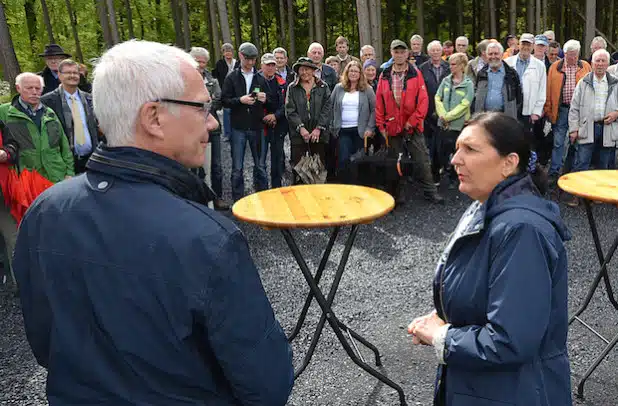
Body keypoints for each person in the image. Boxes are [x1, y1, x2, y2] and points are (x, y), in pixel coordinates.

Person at [13, 40, 294, 405]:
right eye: (201, 107)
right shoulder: (207, 239)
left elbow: (46, 344)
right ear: (154, 118)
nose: (211, 123)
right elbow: (268, 385)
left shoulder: (44, 213)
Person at [408, 112, 572, 406]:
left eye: (470, 149)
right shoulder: (484, 206)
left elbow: (509, 341)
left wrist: (442, 337)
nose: (455, 159)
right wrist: (447, 318)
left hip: (515, 393)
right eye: (458, 148)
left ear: (509, 163)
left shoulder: (522, 231)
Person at [0, 72, 74, 284]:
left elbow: (64, 147)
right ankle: (27, 283)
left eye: (38, 88)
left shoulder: (50, 113)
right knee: (25, 233)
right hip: (25, 182)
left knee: (57, 229)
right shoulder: (6, 113)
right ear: (18, 88)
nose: (34, 92)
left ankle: (61, 277)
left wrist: (69, 173)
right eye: (29, 88)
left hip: (54, 179)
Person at [375, 39, 443, 204]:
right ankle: (398, 195)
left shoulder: (415, 73)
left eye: (402, 52)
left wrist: (412, 122)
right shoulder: (384, 74)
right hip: (392, 126)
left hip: (412, 126)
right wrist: (381, 125)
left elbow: (423, 101)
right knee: (396, 163)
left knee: (422, 160)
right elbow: (379, 103)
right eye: (396, 52)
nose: (399, 55)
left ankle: (430, 192)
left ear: (407, 53)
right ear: (391, 53)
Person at [566, 49, 618, 206]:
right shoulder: (584, 82)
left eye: (603, 61)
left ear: (608, 64)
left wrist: (616, 113)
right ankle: (577, 195)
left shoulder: (615, 82)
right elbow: (574, 108)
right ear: (592, 63)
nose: (600, 64)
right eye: (597, 61)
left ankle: (599, 194)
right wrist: (573, 129)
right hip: (587, 127)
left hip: (607, 128)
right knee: (582, 161)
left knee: (603, 164)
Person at [221, 42, 269, 202]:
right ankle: (238, 201)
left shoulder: (260, 78)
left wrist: (264, 99)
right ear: (240, 56)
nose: (250, 63)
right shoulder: (232, 77)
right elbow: (224, 101)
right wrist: (239, 100)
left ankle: (263, 198)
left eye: (253, 60)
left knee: (260, 166)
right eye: (247, 59)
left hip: (256, 126)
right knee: (237, 168)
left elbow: (270, 101)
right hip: (238, 128)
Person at [40, 59, 99, 174]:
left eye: (75, 73)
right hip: (65, 164)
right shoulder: (47, 102)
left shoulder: (90, 99)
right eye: (68, 73)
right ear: (59, 75)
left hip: (92, 160)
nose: (72, 75)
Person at [545, 39, 591, 181]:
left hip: (580, 112)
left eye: (575, 55)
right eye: (570, 55)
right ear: (564, 54)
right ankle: (554, 173)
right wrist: (548, 109)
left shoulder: (585, 67)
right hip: (562, 110)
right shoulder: (555, 67)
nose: (573, 58)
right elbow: (549, 90)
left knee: (579, 144)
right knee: (559, 143)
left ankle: (574, 175)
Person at [189, 47, 229, 210]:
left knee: (217, 166)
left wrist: (206, 103)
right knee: (195, 165)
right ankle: (196, 199)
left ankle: (216, 197)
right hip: (192, 129)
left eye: (204, 62)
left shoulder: (212, 80)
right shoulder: (184, 81)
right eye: (198, 61)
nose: (201, 65)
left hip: (213, 129)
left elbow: (218, 99)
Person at [285, 57, 332, 179]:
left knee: (318, 169)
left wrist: (318, 128)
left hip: (319, 135)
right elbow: (290, 110)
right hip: (298, 136)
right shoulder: (292, 87)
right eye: (301, 70)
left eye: (307, 69)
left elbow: (327, 109)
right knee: (299, 171)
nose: (304, 72)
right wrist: (301, 129)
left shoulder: (323, 86)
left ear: (313, 71)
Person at [434, 53, 474, 189]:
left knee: (457, 152)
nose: (450, 66)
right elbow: (437, 97)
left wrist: (448, 116)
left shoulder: (468, 84)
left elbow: (465, 104)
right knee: (442, 151)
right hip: (443, 124)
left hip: (458, 126)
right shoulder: (445, 80)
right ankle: (445, 171)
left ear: (462, 66)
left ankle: (455, 177)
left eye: (453, 64)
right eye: (450, 64)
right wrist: (442, 115)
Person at [330, 60, 376, 170]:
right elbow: (330, 107)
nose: (353, 73)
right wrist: (332, 125)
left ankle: (358, 186)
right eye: (351, 71)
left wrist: (370, 128)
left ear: (360, 74)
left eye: (356, 71)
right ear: (347, 72)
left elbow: (375, 109)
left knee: (357, 161)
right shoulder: (338, 88)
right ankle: (345, 185)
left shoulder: (367, 89)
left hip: (360, 131)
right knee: (343, 159)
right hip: (342, 130)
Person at [505, 33, 547, 148]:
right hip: (511, 109)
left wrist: (536, 112)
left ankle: (527, 166)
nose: (526, 47)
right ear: (519, 44)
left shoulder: (539, 66)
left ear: (533, 46)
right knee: (510, 141)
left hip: (528, 112)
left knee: (526, 143)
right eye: (523, 44)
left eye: (528, 45)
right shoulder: (508, 63)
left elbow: (542, 90)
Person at [419, 40, 450, 184]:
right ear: (429, 52)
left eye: (438, 50)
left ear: (441, 51)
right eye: (433, 50)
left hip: (446, 112)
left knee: (443, 144)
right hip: (428, 111)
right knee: (429, 145)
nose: (436, 53)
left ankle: (445, 170)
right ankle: (432, 173)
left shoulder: (448, 67)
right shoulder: (422, 68)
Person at [474, 42, 523, 119]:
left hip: (505, 118)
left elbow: (519, 97)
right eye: (490, 54)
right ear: (486, 55)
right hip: (484, 117)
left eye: (496, 53)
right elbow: (475, 94)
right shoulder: (481, 74)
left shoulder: (511, 74)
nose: (493, 56)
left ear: (502, 54)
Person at [258, 53, 286, 188]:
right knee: (260, 161)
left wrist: (276, 116)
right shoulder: (255, 81)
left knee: (278, 159)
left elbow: (287, 103)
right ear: (261, 65)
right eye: (267, 65)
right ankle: (261, 189)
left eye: (272, 65)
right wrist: (265, 117)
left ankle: (277, 187)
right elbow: (252, 103)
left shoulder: (281, 82)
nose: (270, 68)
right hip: (260, 126)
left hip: (278, 124)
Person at [213, 43, 238, 142]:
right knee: (227, 112)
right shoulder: (220, 63)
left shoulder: (238, 63)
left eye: (230, 51)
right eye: (226, 51)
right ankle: (227, 134)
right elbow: (216, 77)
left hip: (237, 90)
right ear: (223, 53)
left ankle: (238, 133)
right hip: (225, 91)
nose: (228, 53)